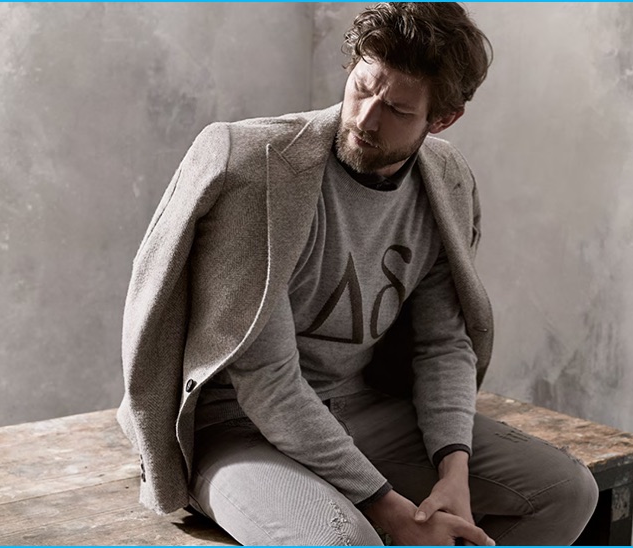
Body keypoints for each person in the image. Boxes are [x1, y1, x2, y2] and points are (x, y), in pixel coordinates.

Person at [117, 3, 598, 545]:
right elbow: (267, 382)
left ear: (442, 120)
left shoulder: (446, 182)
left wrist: (453, 472)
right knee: (346, 542)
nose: (367, 118)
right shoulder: (256, 167)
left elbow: (442, 343)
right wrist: (387, 507)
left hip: (361, 409)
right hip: (237, 429)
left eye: (397, 109)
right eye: (363, 87)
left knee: (565, 491)